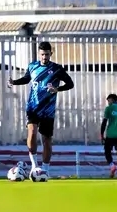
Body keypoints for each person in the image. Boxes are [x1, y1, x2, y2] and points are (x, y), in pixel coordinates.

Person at [8, 40, 73, 178]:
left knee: (47, 140)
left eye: (47, 54)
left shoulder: (57, 68)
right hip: (33, 107)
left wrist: (57, 89)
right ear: (39, 54)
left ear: (51, 54)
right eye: (42, 54)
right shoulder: (32, 66)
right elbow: (26, 79)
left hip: (48, 110)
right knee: (32, 133)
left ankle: (45, 169)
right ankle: (34, 165)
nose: (45, 57)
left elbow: (70, 83)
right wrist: (14, 82)